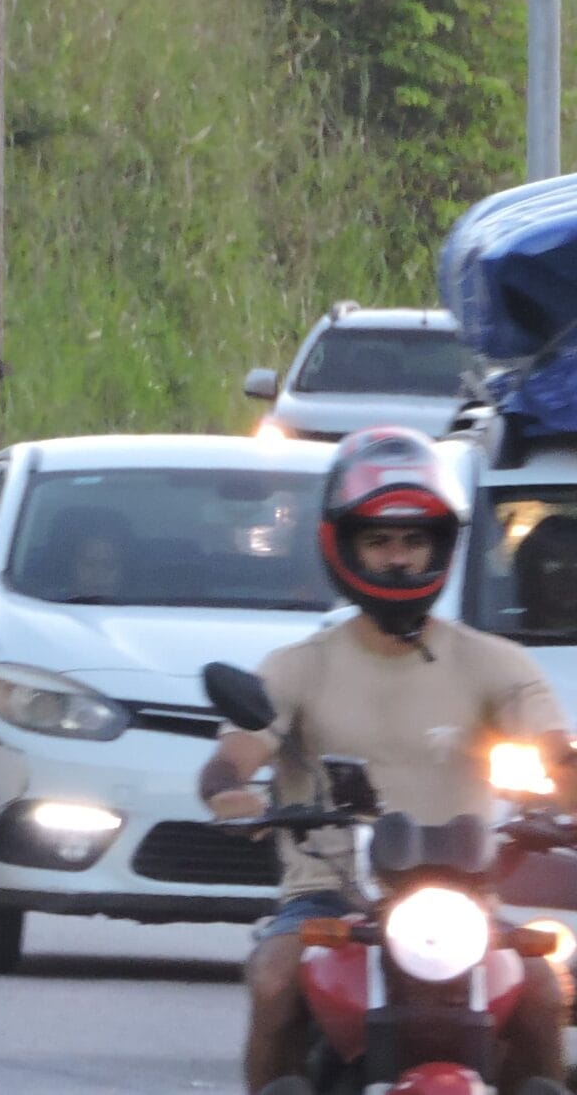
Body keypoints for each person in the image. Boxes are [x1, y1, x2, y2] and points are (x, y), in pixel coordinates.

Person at [199, 427, 577, 1095]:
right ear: (343, 545)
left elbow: (555, 752)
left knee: (544, 988)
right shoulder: (300, 665)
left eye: (413, 540)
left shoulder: (495, 663)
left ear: (440, 546)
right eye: (378, 540)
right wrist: (232, 792)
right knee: (275, 978)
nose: (399, 558)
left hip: (462, 903)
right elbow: (234, 757)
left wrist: (567, 791)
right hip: (329, 896)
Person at [515, 514, 577, 639]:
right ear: (532, 574)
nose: (568, 576)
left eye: (576, 563)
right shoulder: (503, 640)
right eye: (553, 565)